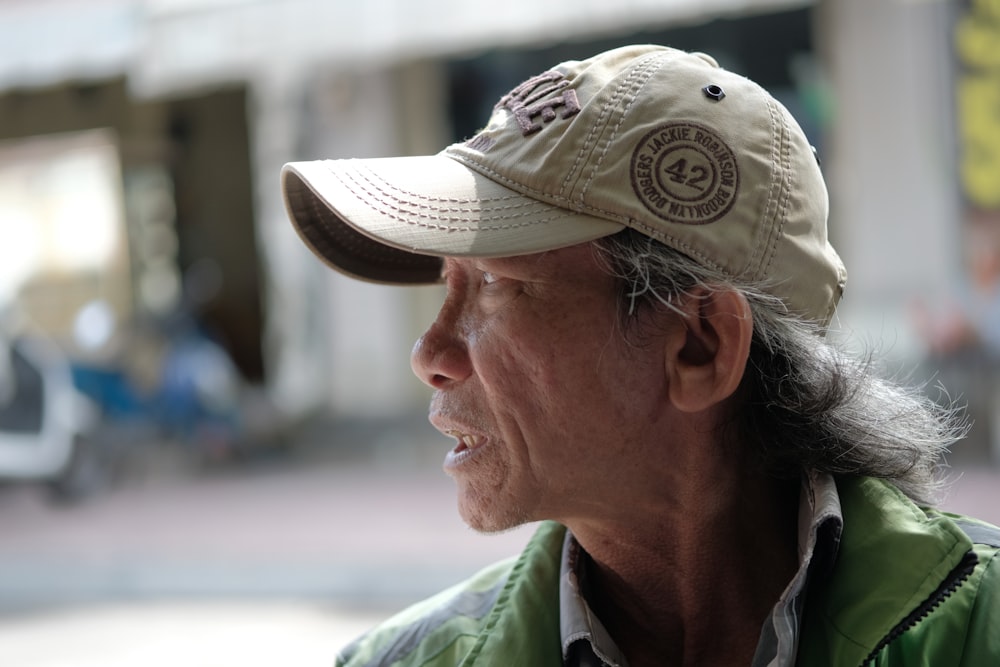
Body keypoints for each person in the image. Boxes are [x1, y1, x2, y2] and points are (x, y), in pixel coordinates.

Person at [281, 45, 1000, 666]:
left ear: (700, 344)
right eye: (449, 283)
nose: (429, 352)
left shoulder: (978, 631)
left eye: (497, 285)